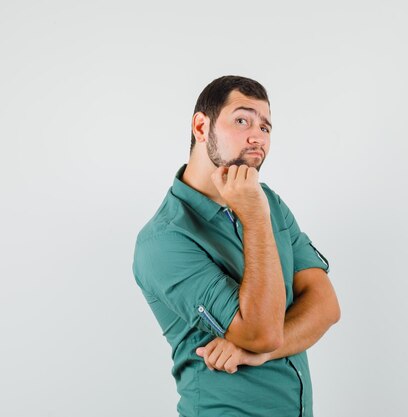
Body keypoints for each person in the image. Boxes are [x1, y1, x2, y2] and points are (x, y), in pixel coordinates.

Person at [132, 75, 340, 417]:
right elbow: (259, 333)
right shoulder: (164, 240)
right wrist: (256, 219)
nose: (257, 136)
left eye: (266, 127)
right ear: (201, 127)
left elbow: (326, 305)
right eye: (242, 120)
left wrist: (257, 353)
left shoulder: (269, 202)